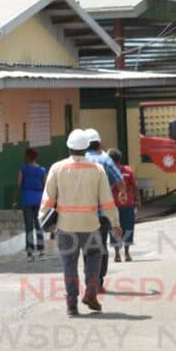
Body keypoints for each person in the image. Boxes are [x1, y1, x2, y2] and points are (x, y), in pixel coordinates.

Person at [40, 129, 121, 316]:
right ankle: (91, 293)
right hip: (90, 225)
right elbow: (107, 201)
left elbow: (48, 199)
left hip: (65, 226)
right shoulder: (97, 170)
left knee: (69, 263)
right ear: (86, 148)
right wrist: (115, 223)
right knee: (94, 256)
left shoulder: (57, 168)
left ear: (68, 147)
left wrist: (43, 219)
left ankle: (71, 304)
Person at [83, 128, 125, 290]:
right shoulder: (105, 160)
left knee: (87, 247)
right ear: (99, 143)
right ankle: (98, 281)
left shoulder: (79, 160)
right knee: (101, 246)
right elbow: (120, 181)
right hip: (101, 213)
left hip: (82, 213)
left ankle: (89, 279)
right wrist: (121, 192)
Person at [107, 148, 140, 262]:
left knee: (114, 228)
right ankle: (127, 253)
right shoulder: (128, 170)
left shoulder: (107, 171)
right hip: (127, 204)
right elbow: (135, 187)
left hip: (112, 205)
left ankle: (117, 254)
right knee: (128, 227)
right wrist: (137, 201)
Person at [13, 147, 46, 259]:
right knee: (38, 225)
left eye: (25, 155)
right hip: (39, 199)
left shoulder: (23, 168)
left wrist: (14, 200)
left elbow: (18, 184)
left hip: (27, 199)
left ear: (28, 156)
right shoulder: (42, 170)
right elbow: (45, 186)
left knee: (29, 226)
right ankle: (41, 249)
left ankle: (30, 251)